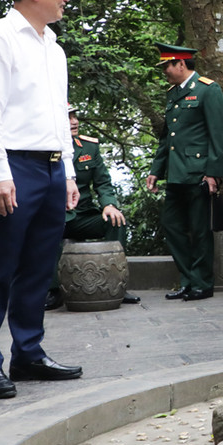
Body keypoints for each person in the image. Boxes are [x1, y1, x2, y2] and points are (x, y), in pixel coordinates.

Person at [0, 0, 82, 399]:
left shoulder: (53, 46)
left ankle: (28, 353)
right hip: (12, 165)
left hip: (51, 167)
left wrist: (68, 171)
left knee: (38, 267)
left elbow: (58, 116)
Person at [147, 42, 223, 301]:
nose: (164, 71)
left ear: (181, 64)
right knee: (172, 225)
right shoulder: (173, 93)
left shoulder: (207, 89)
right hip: (176, 173)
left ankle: (202, 283)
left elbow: (217, 136)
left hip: (198, 173)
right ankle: (188, 279)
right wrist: (155, 171)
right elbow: (166, 138)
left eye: (167, 65)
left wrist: (213, 173)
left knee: (200, 229)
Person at [45, 103, 140, 309]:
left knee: (115, 221)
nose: (75, 121)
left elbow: (103, 183)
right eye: (68, 117)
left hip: (81, 216)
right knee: (49, 228)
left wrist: (109, 205)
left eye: (75, 116)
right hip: (54, 215)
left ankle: (116, 284)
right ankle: (53, 290)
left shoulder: (88, 147)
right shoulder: (44, 148)